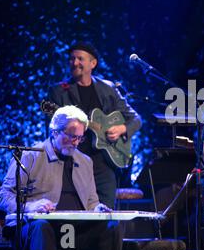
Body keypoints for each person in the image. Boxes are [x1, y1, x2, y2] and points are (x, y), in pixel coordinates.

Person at [0, 106, 122, 250]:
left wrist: (98, 209)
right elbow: (2, 197)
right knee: (41, 226)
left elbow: (91, 204)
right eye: (71, 136)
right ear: (55, 132)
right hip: (38, 228)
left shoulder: (85, 162)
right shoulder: (30, 156)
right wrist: (30, 207)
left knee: (112, 226)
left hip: (75, 231)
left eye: (80, 138)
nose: (76, 143)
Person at [48, 42, 142, 209]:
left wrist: (122, 129)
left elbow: (135, 119)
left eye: (80, 59)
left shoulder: (108, 89)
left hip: (104, 163)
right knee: (76, 209)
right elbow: (52, 128)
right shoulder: (59, 91)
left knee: (106, 211)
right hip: (73, 160)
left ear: (93, 63)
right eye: (72, 59)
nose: (75, 62)